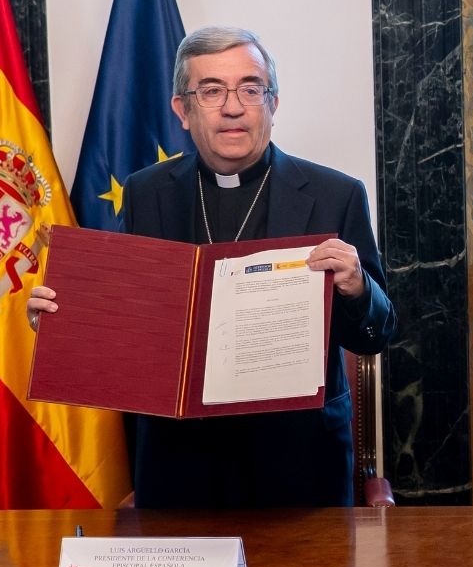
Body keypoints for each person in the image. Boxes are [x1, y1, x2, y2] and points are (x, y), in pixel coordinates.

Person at [30, 26, 396, 507]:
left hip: (299, 462)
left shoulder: (335, 195)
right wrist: (67, 324)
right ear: (182, 109)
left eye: (250, 88)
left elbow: (375, 336)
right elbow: (131, 323)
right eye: (211, 91)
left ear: (273, 103)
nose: (232, 106)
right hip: (180, 463)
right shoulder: (146, 192)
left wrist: (358, 288)